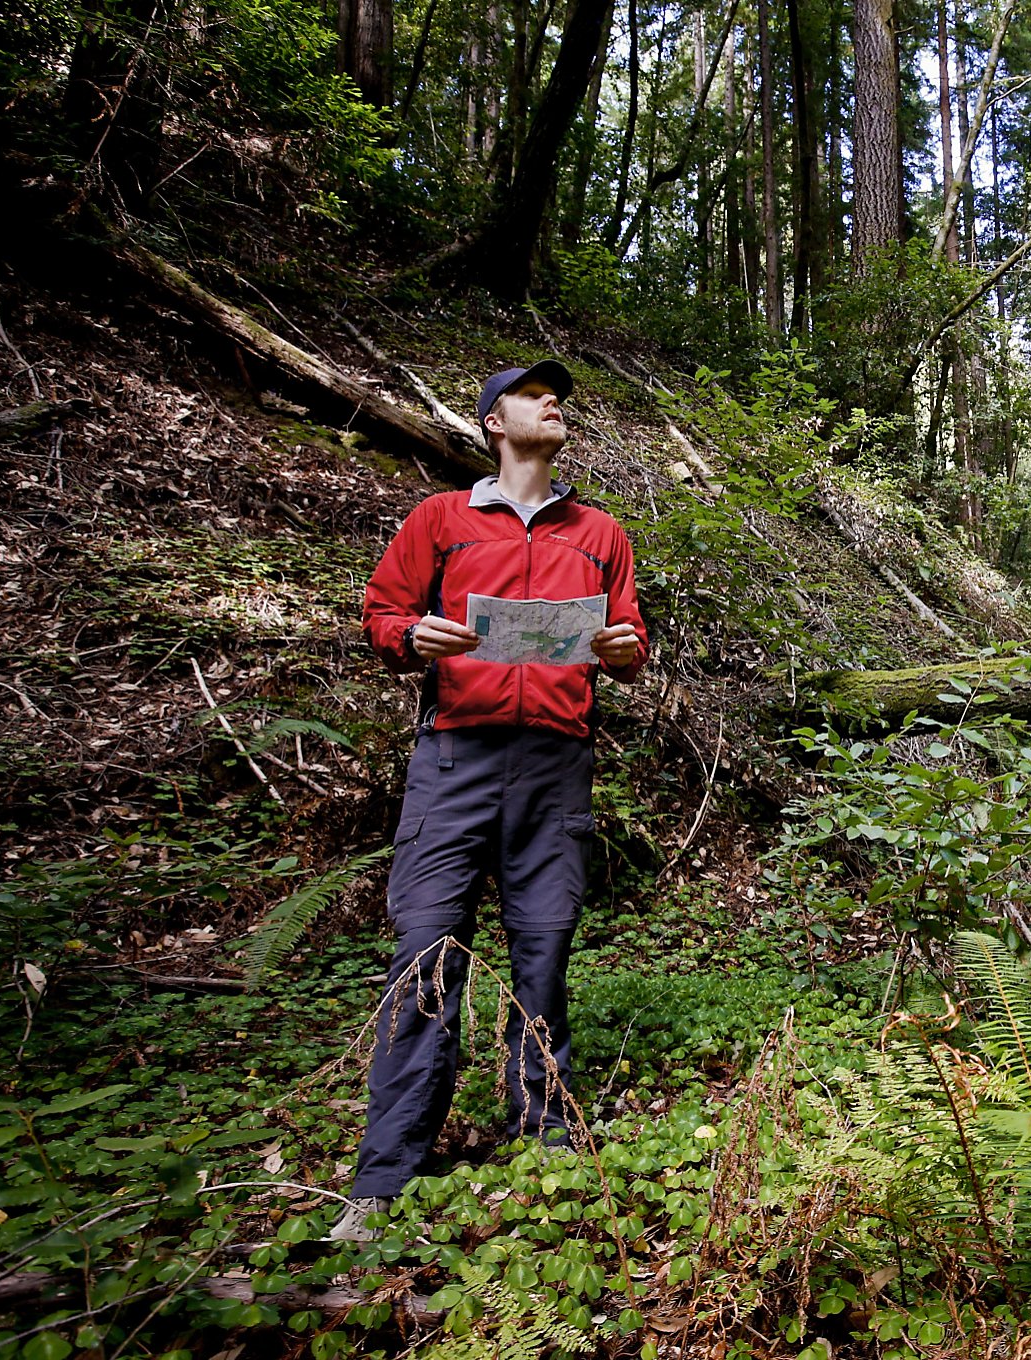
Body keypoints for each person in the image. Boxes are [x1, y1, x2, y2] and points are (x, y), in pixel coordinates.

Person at [330, 359, 647, 1242]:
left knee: (544, 947)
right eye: (535, 394)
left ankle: (545, 1139)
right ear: (495, 422)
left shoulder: (600, 531)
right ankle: (386, 1173)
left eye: (560, 397)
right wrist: (410, 635)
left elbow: (628, 633)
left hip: (555, 764)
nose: (556, 403)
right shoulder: (441, 518)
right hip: (454, 757)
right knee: (427, 951)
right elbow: (383, 615)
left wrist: (622, 649)